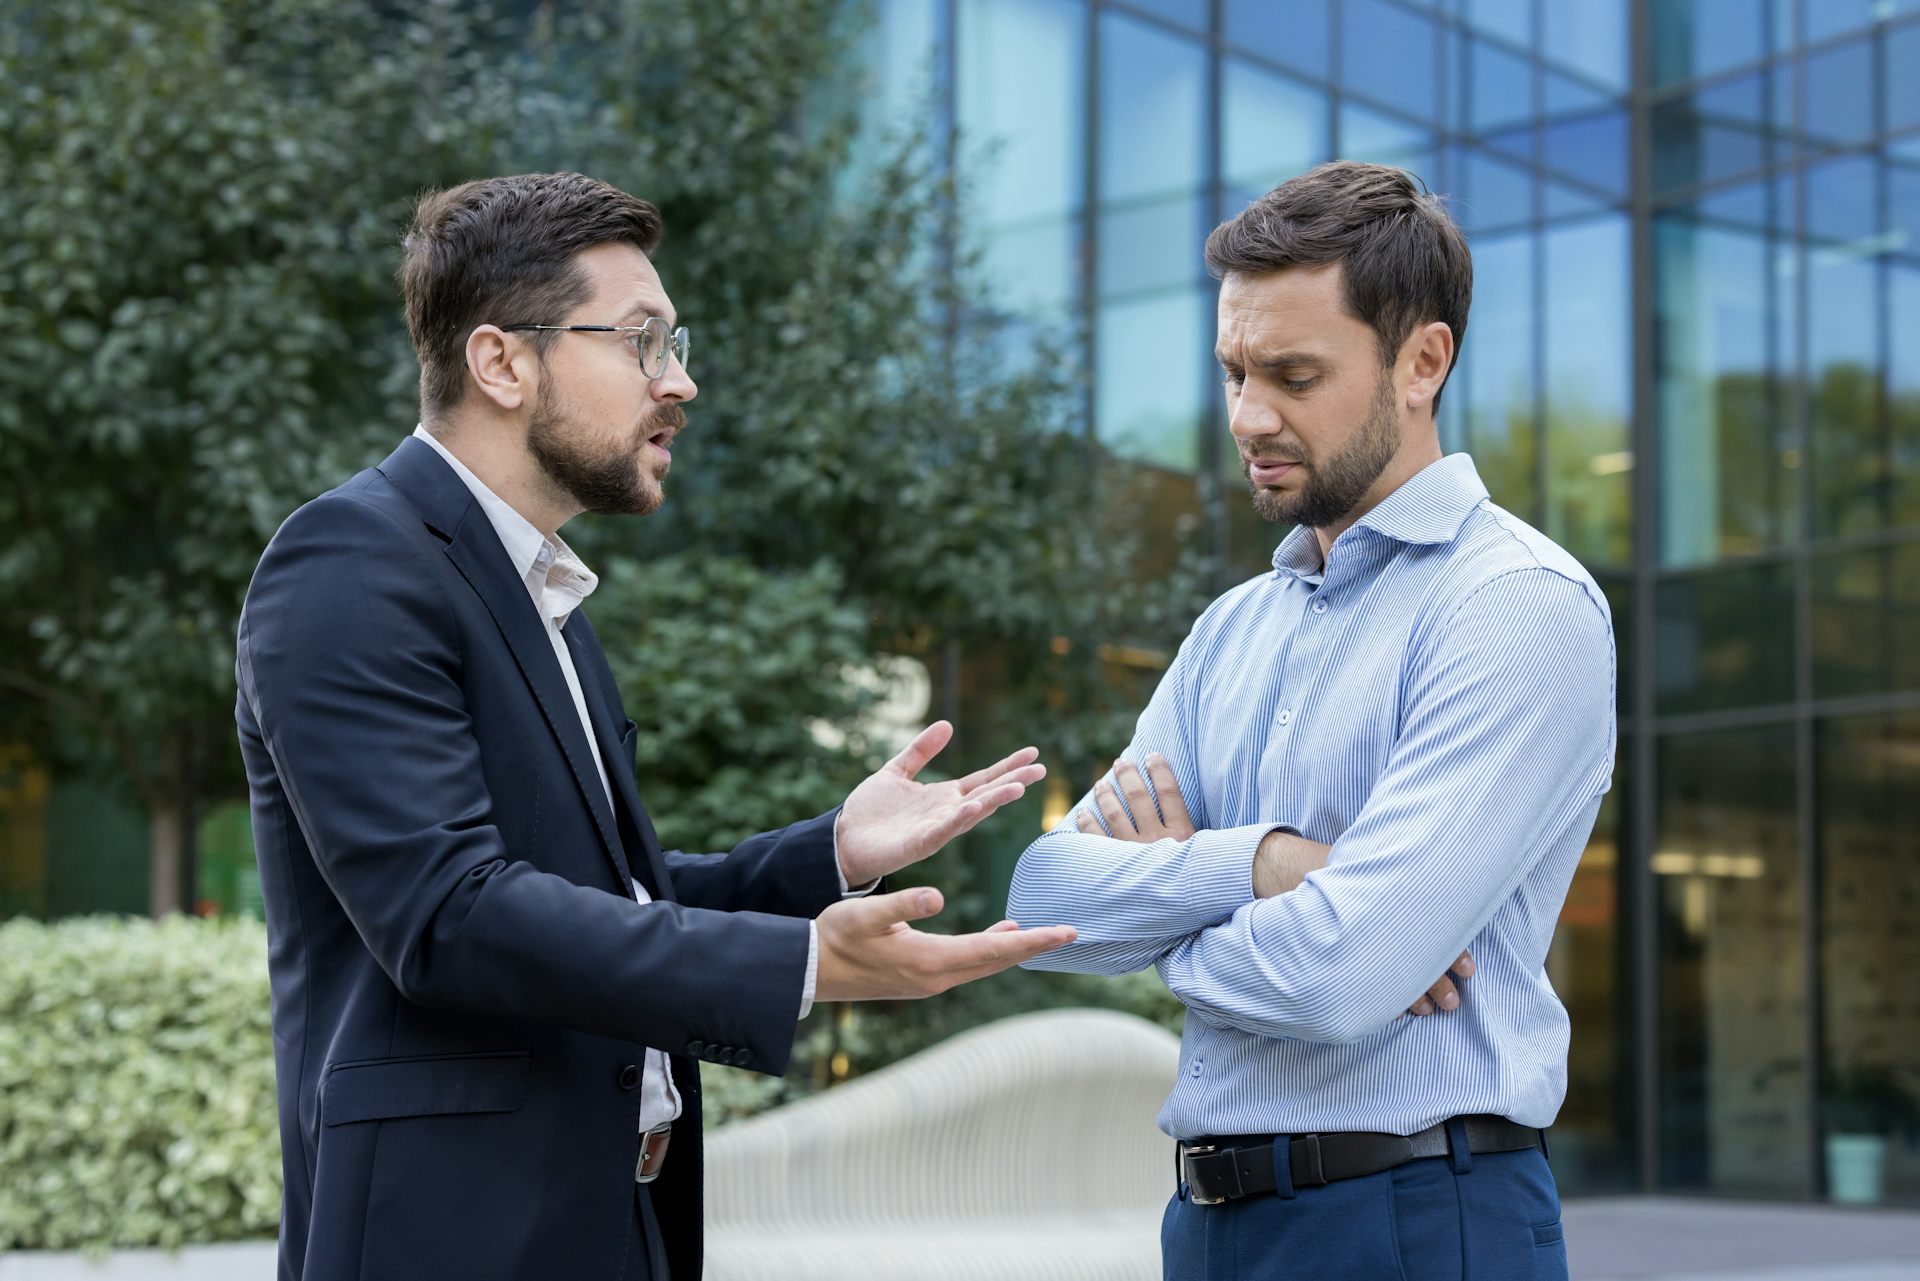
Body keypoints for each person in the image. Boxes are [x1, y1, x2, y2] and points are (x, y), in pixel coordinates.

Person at [234, 171, 1075, 1281]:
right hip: (451, 1236)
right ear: (500, 361)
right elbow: (447, 914)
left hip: (612, 1221)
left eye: (675, 343)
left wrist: (825, 857)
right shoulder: (350, 563)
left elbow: (606, 901)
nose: (679, 381)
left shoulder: (541, 594)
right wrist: (799, 966)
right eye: (642, 341)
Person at [1007, 161, 1614, 1281]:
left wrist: (1172, 899)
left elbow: (1342, 977)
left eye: (1293, 373)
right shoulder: (1234, 628)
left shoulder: (1517, 606)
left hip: (1419, 1218)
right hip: (1209, 1227)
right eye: (1235, 369)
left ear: (1422, 361)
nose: (1248, 415)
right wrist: (1272, 867)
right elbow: (1044, 905)